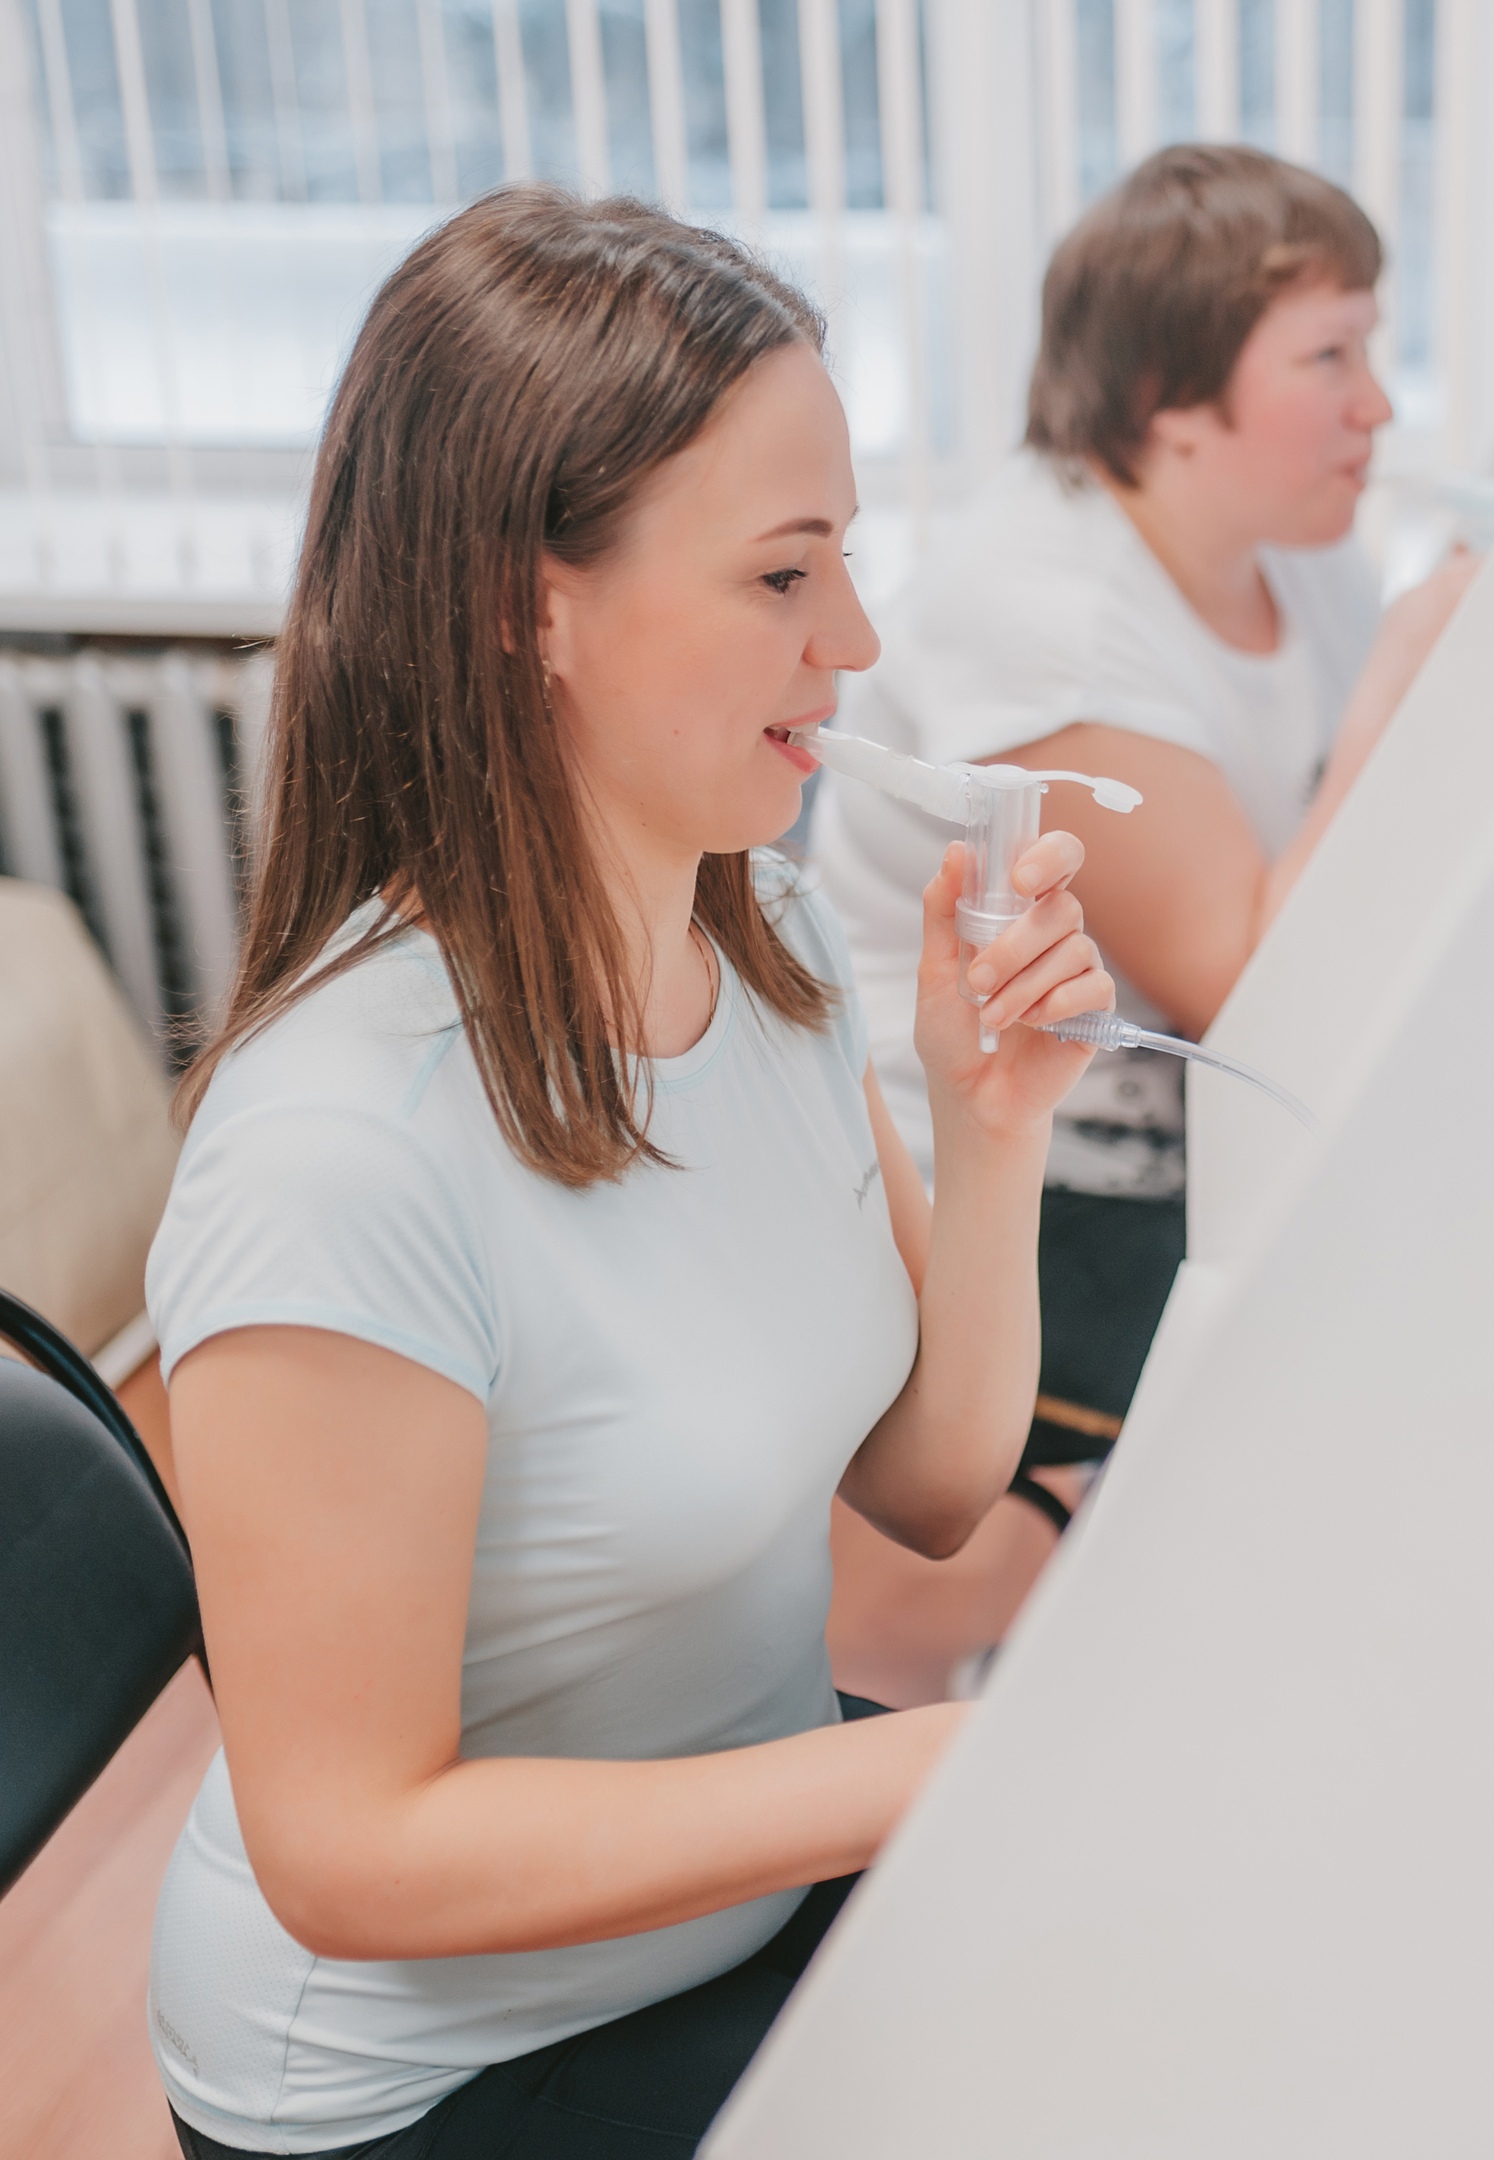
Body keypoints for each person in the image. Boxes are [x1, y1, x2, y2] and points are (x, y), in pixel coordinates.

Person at [144, 187, 1114, 2159]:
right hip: (434, 2078)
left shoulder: (762, 950)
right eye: (781, 575)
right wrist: (948, 1767)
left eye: (846, 559)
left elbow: (932, 1490)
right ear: (530, 605)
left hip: (731, 1895)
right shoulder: (336, 1156)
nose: (854, 645)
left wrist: (993, 1127)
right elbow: (349, 1853)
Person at [812, 145, 1477, 1480]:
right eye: (1329, 358)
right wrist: (1406, 679)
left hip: (1190, 1150)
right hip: (1015, 1191)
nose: (1378, 405)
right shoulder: (1046, 621)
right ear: (1168, 398)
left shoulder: (1292, 549)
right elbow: (1253, 991)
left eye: (1370, 349)